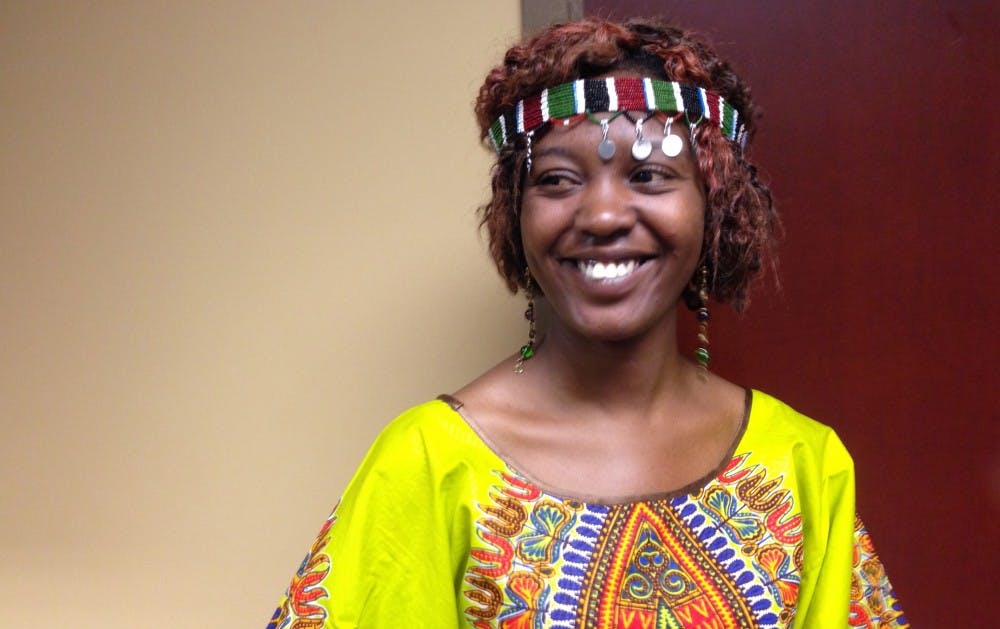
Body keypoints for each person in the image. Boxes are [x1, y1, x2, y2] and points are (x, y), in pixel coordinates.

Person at [267, 17, 907, 628]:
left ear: (715, 207)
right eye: (557, 180)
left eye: (650, 175)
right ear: (516, 214)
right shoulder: (427, 463)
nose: (602, 215)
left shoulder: (802, 464)